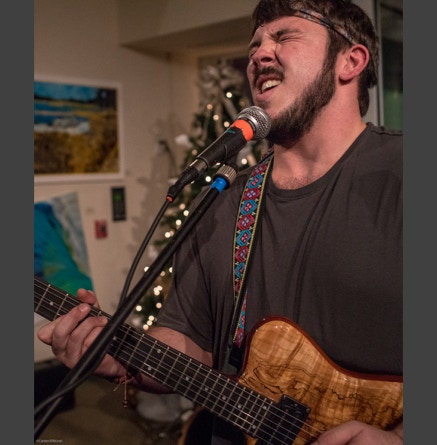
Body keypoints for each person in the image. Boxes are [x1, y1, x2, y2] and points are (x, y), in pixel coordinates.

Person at [37, 0, 403, 443]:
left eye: (284, 36)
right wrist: (120, 359)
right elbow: (190, 340)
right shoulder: (222, 202)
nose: (259, 54)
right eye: (255, 44)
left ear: (351, 61)